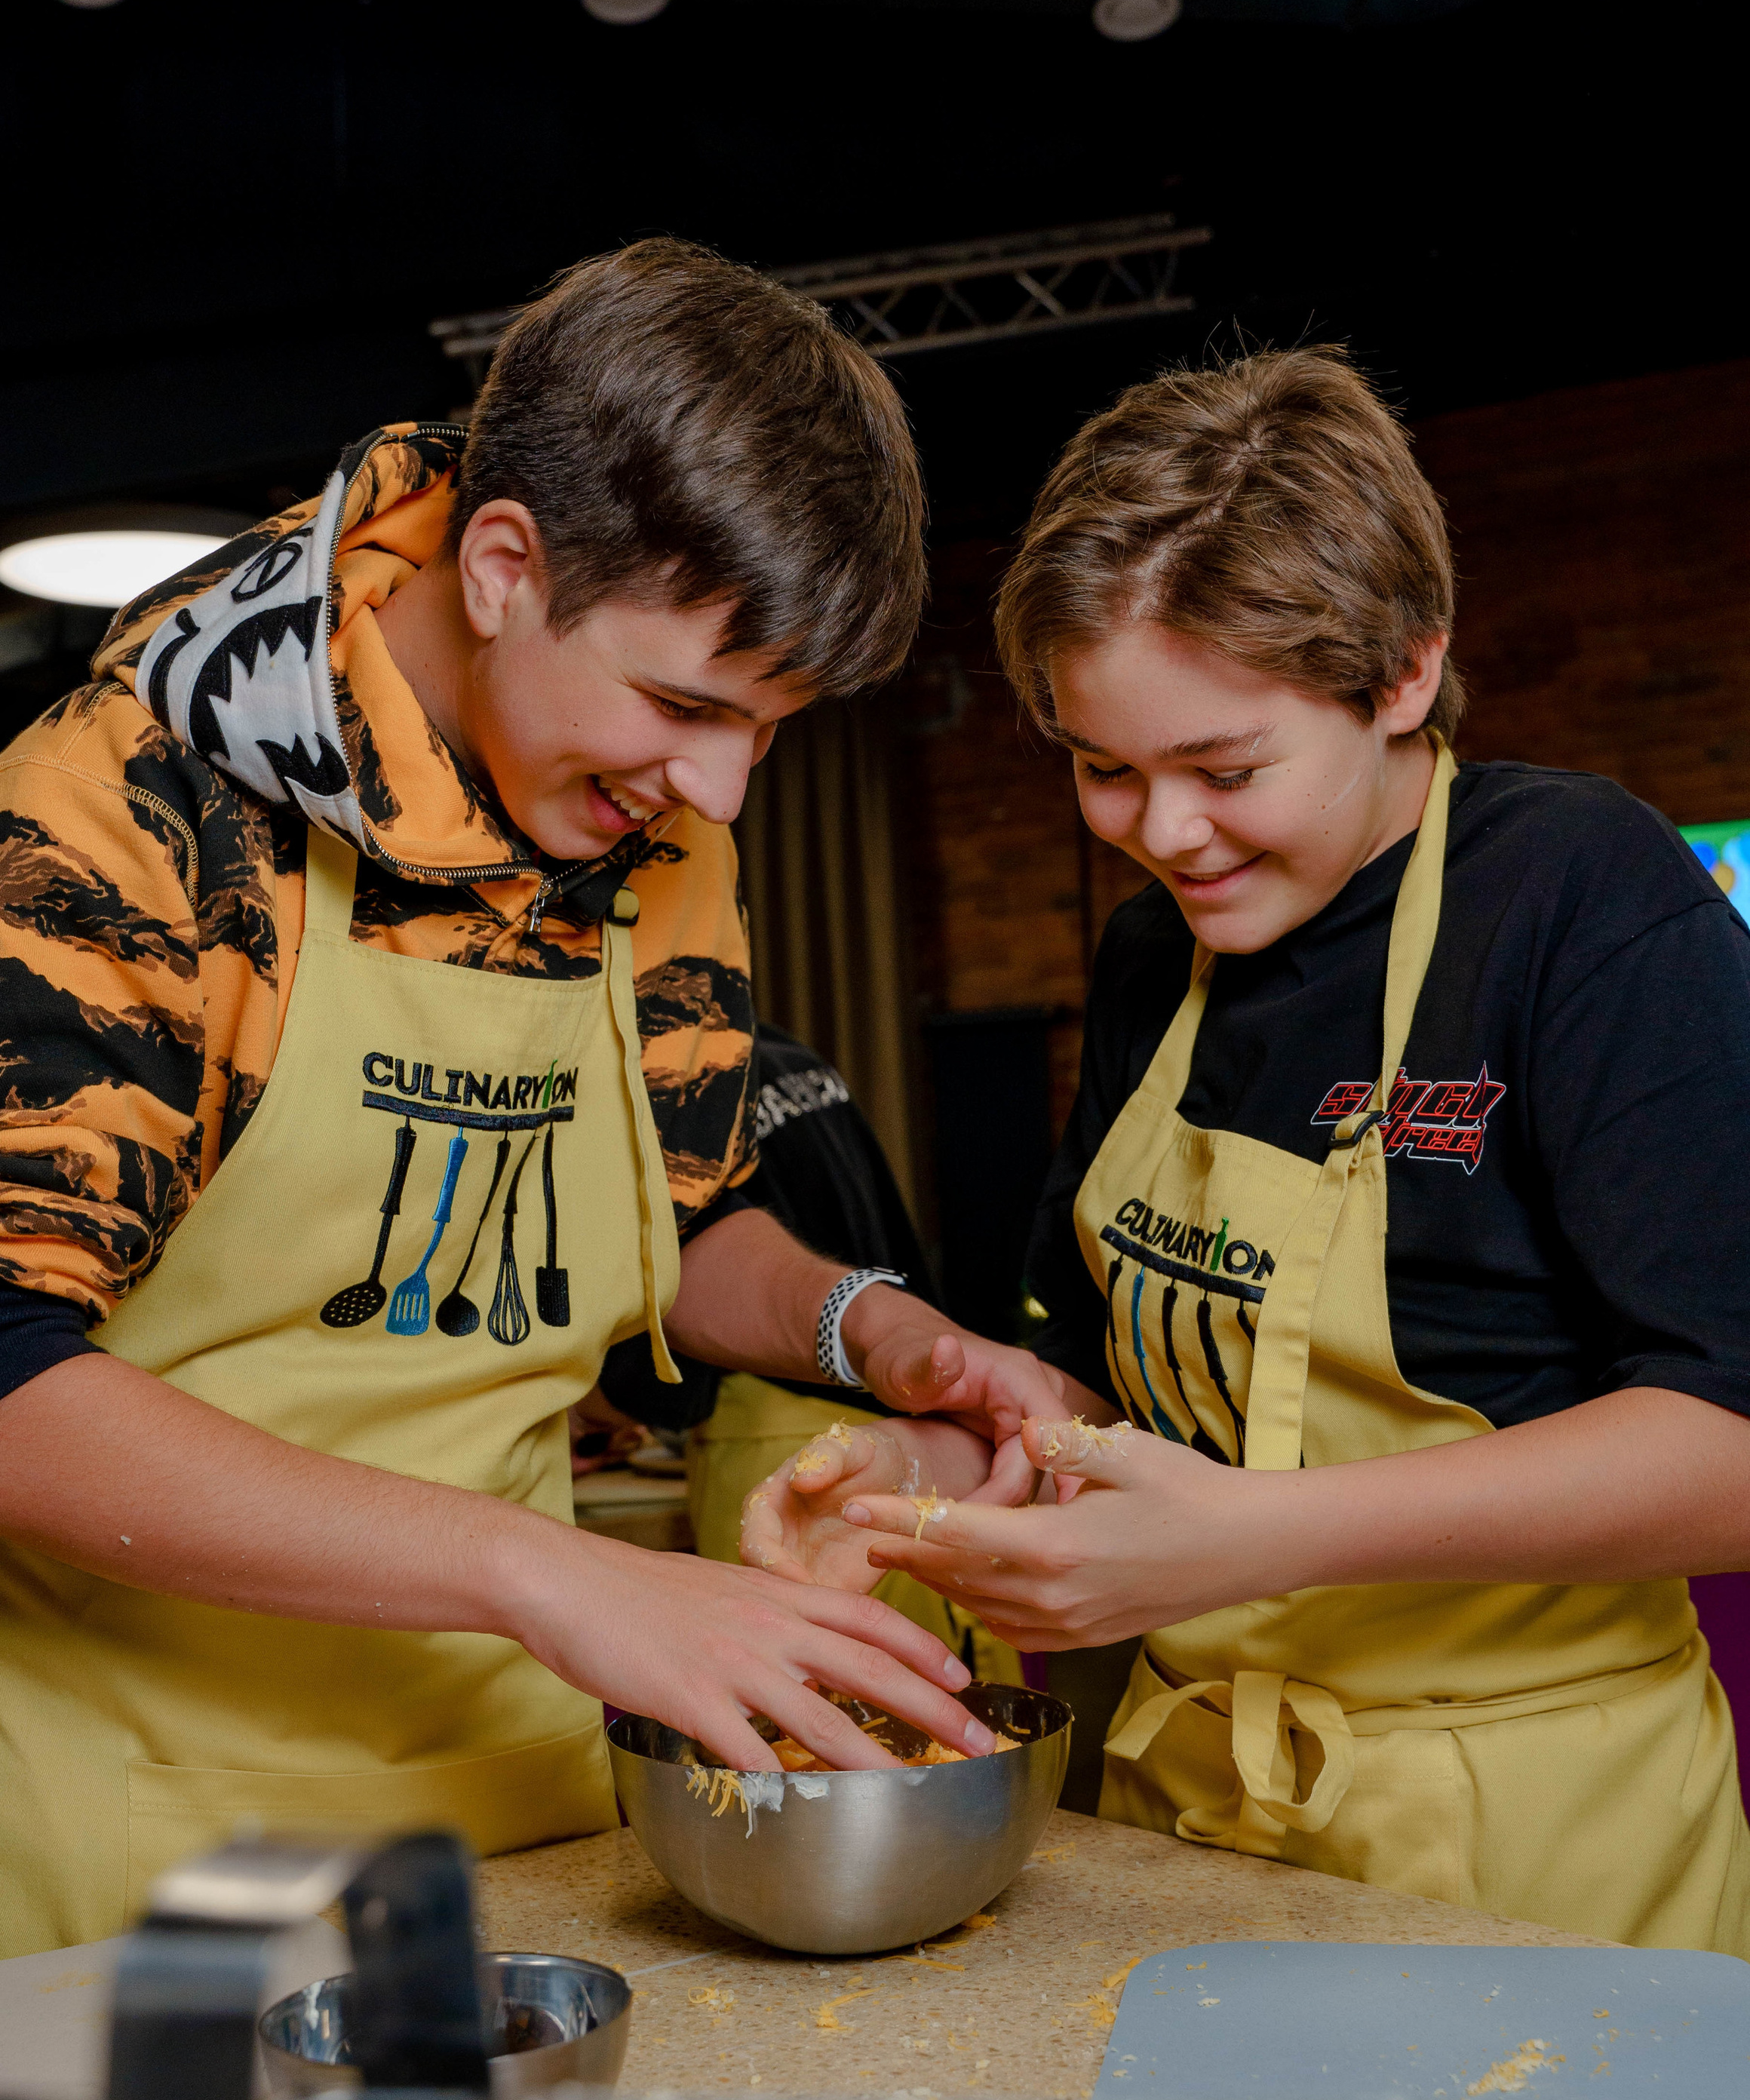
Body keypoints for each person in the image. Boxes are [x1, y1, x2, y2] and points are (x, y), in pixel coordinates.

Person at [0, 239, 1050, 1977]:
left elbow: (681, 1215)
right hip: (143, 1844)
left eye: (767, 727)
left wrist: (876, 1330)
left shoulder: (644, 826)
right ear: (501, 567)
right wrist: (548, 1574)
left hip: (528, 1814)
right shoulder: (121, 821)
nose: (717, 788)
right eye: (683, 704)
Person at [745, 345, 1750, 1951]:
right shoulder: (1160, 958)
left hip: (1528, 1847)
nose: (1162, 834)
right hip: (1187, 1828)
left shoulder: (1577, 900)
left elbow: (1729, 1447)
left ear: (1402, 675)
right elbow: (1099, 1403)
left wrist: (1253, 1541)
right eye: (1103, 770)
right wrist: (917, 1486)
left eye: (1224, 770)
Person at [604, 1022, 1022, 1683]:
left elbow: (665, 1293)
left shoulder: (654, 1080)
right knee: (926, 1678)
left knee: (804, 1691)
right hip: (893, 1408)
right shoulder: (784, 1053)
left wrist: (600, 1404)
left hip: (769, 1430)